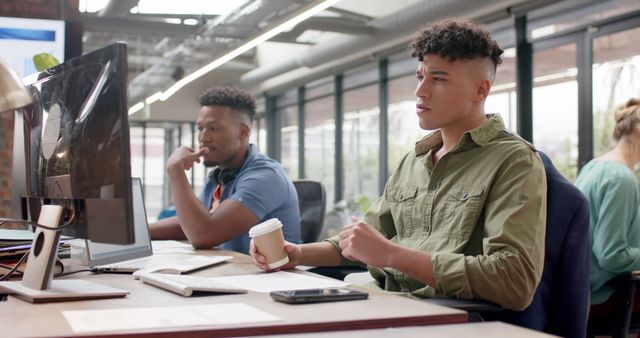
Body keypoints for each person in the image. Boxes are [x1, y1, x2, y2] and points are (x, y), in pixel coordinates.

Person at [250, 19, 547, 311]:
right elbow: (361, 243)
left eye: (439, 79)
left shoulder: (514, 161)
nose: (420, 91)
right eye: (420, 77)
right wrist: (297, 254)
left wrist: (391, 255)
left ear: (480, 91)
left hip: (441, 317)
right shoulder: (414, 161)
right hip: (381, 304)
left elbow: (514, 281)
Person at [150, 86, 301, 253]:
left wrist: (175, 170)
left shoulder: (266, 177)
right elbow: (190, 223)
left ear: (243, 132)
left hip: (272, 277)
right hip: (238, 271)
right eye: (200, 128)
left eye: (213, 129)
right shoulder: (220, 176)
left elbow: (203, 234)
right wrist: (137, 233)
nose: (203, 138)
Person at [575, 98, 640, 308]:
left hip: (577, 290)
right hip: (603, 296)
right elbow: (611, 256)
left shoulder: (594, 167)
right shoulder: (621, 178)